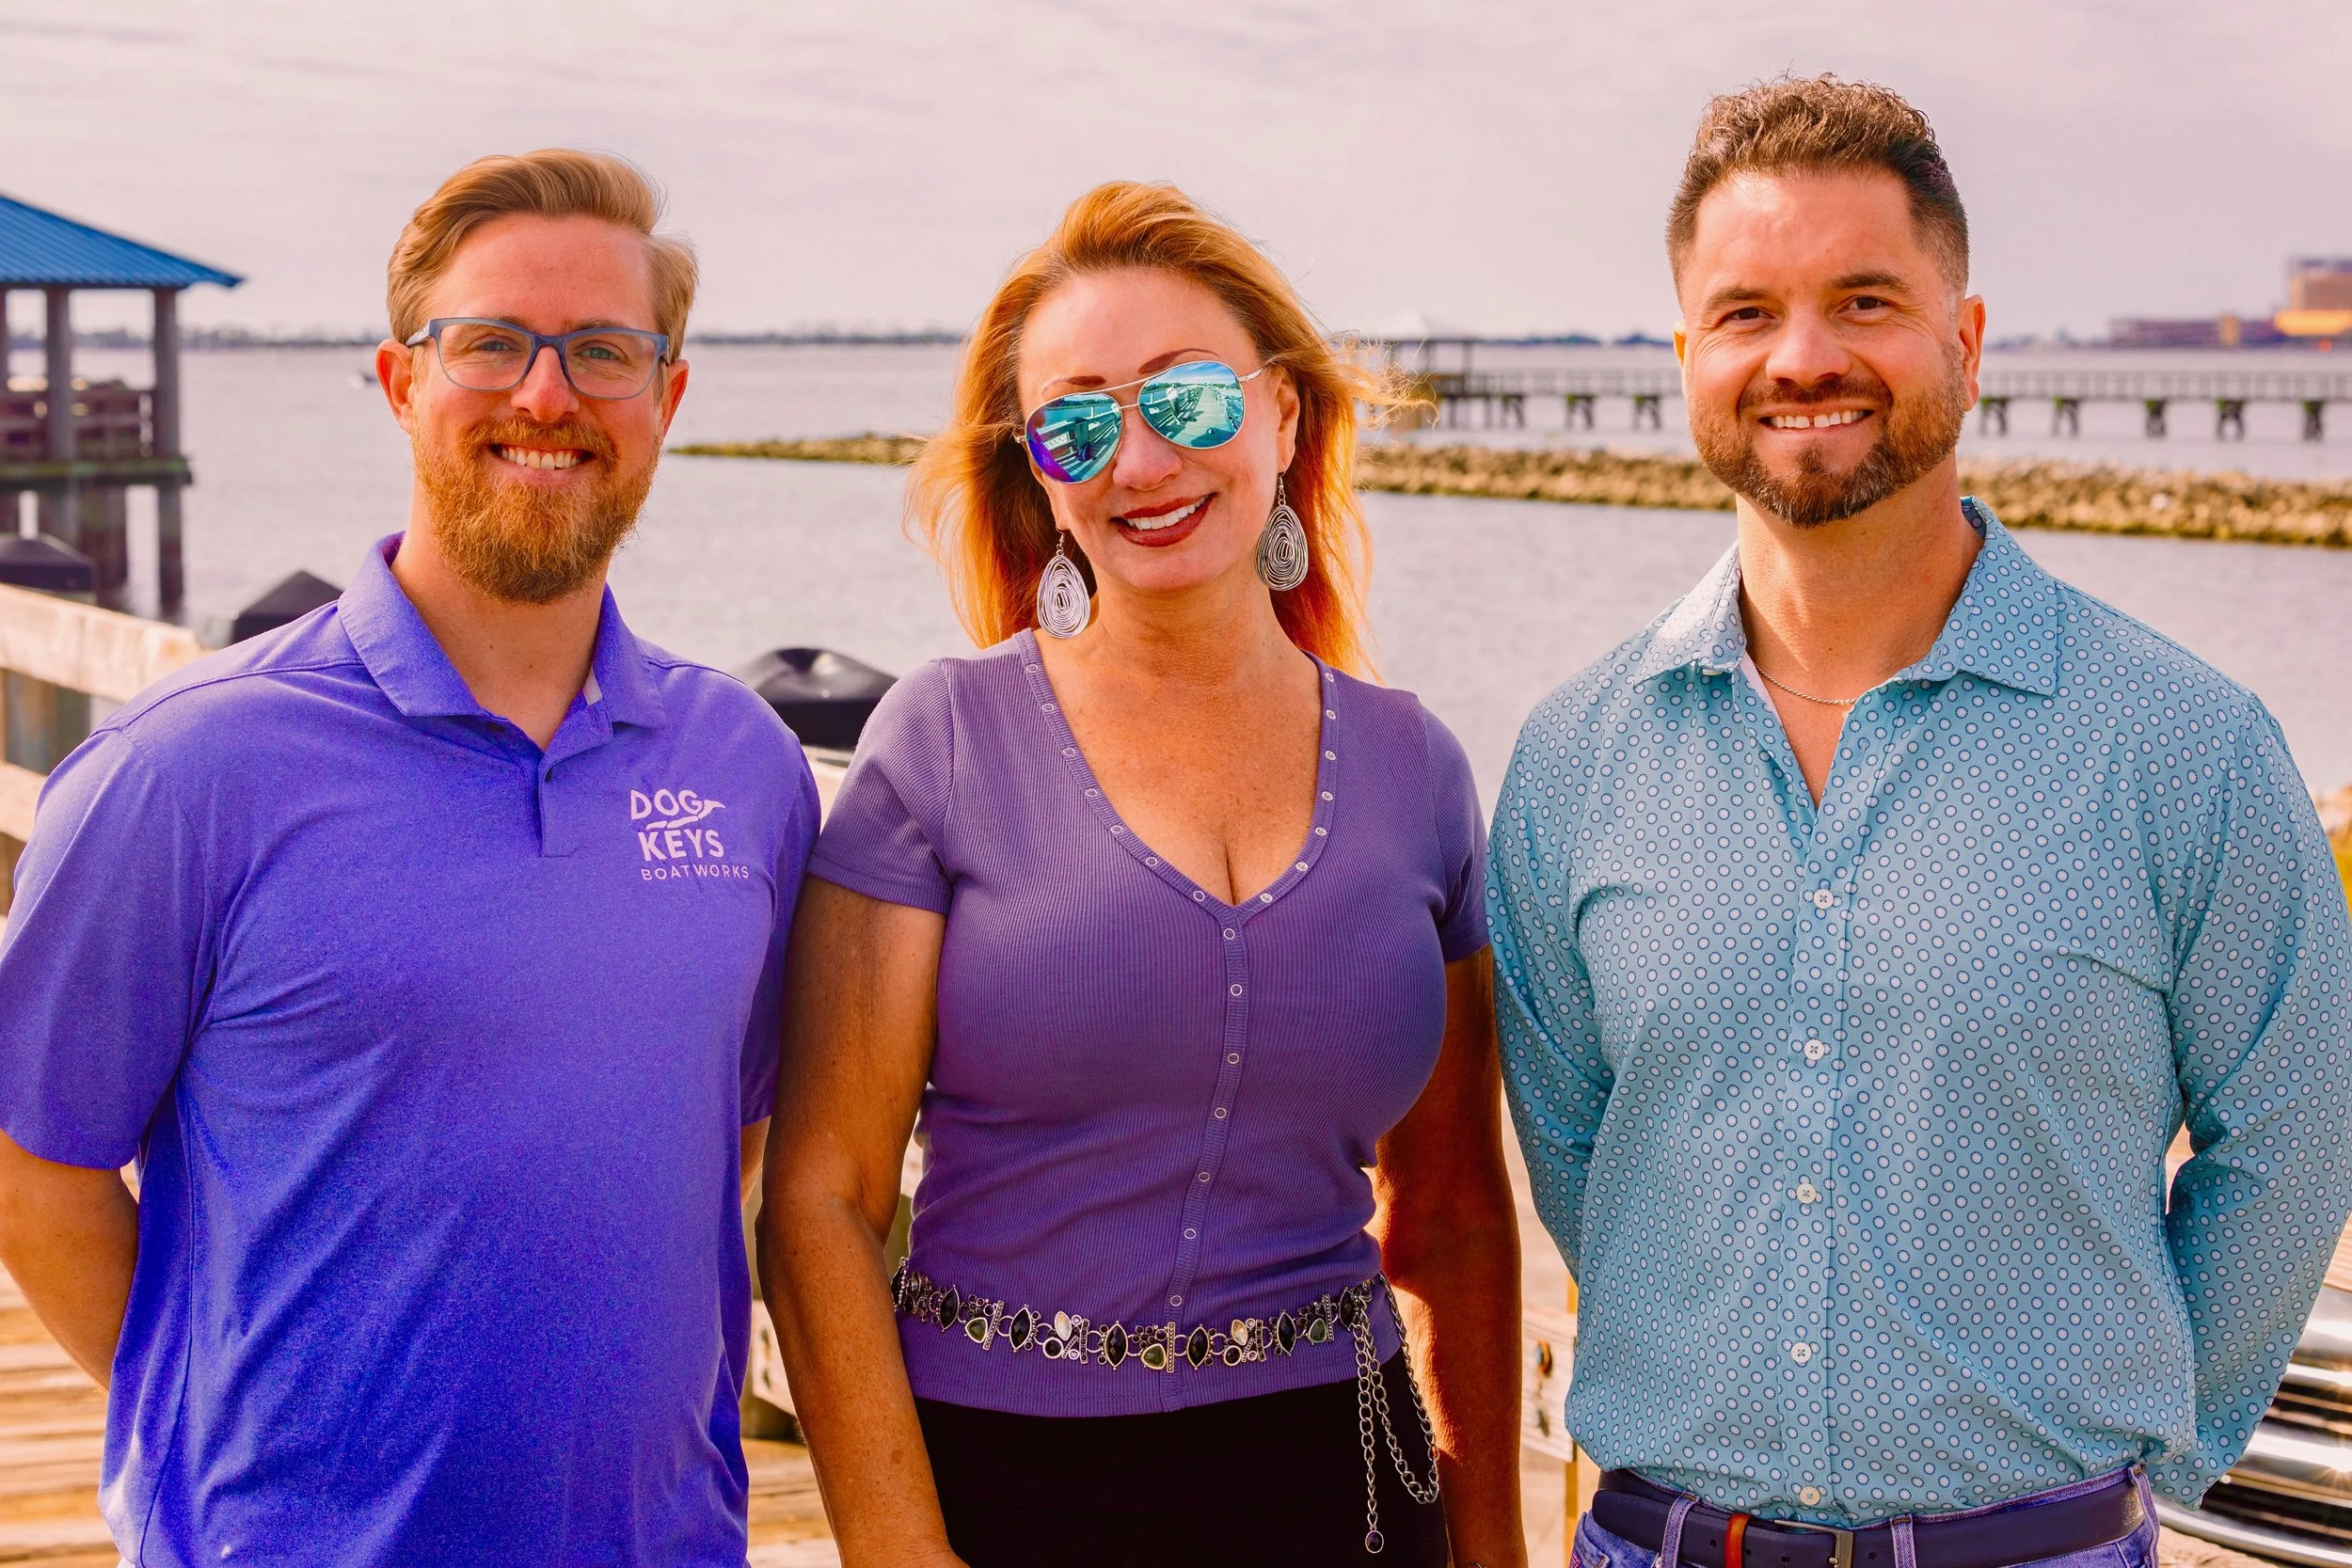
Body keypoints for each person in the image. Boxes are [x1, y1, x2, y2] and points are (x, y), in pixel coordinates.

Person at [1489, 75, 2352, 1568]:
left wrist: (2131, 1454)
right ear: (1687, 355)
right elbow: (1578, 1155)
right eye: (1747, 312)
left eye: (1865, 299)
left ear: (1964, 337)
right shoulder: (1576, 757)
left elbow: (2293, 1138)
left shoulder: (2182, 746)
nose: (1804, 357)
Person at [0, 150, 818, 1565]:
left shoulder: (742, 770)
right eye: (491, 343)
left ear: (667, 398)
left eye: (604, 351)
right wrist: (213, 1419)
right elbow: (29, 1161)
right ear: (399, 383)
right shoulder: (190, 767)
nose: (546, 396)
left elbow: (726, 1137)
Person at [759, 182, 1524, 1568]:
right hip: (1003, 1491)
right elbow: (822, 1195)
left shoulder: (1420, 768)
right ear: (1040, 470)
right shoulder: (938, 741)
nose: (1139, 458)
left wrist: (1493, 1554)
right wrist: (900, 1551)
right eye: (1079, 420)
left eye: (1186, 399)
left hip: (1353, 1492)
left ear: (1283, 414)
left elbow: (1461, 1220)